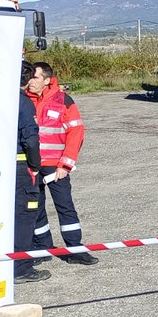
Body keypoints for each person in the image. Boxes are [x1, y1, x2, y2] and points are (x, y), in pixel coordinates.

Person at [26, 62, 99, 265]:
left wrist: (65, 165)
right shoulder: (23, 100)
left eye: (35, 78)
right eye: (30, 77)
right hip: (31, 165)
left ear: (47, 80)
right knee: (36, 207)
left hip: (55, 166)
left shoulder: (63, 100)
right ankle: (42, 248)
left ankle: (75, 249)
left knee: (65, 206)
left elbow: (76, 133)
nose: (30, 82)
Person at [15, 61, 51, 283]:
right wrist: (35, 164)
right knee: (24, 216)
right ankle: (21, 267)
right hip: (21, 168)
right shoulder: (23, 103)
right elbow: (30, 139)